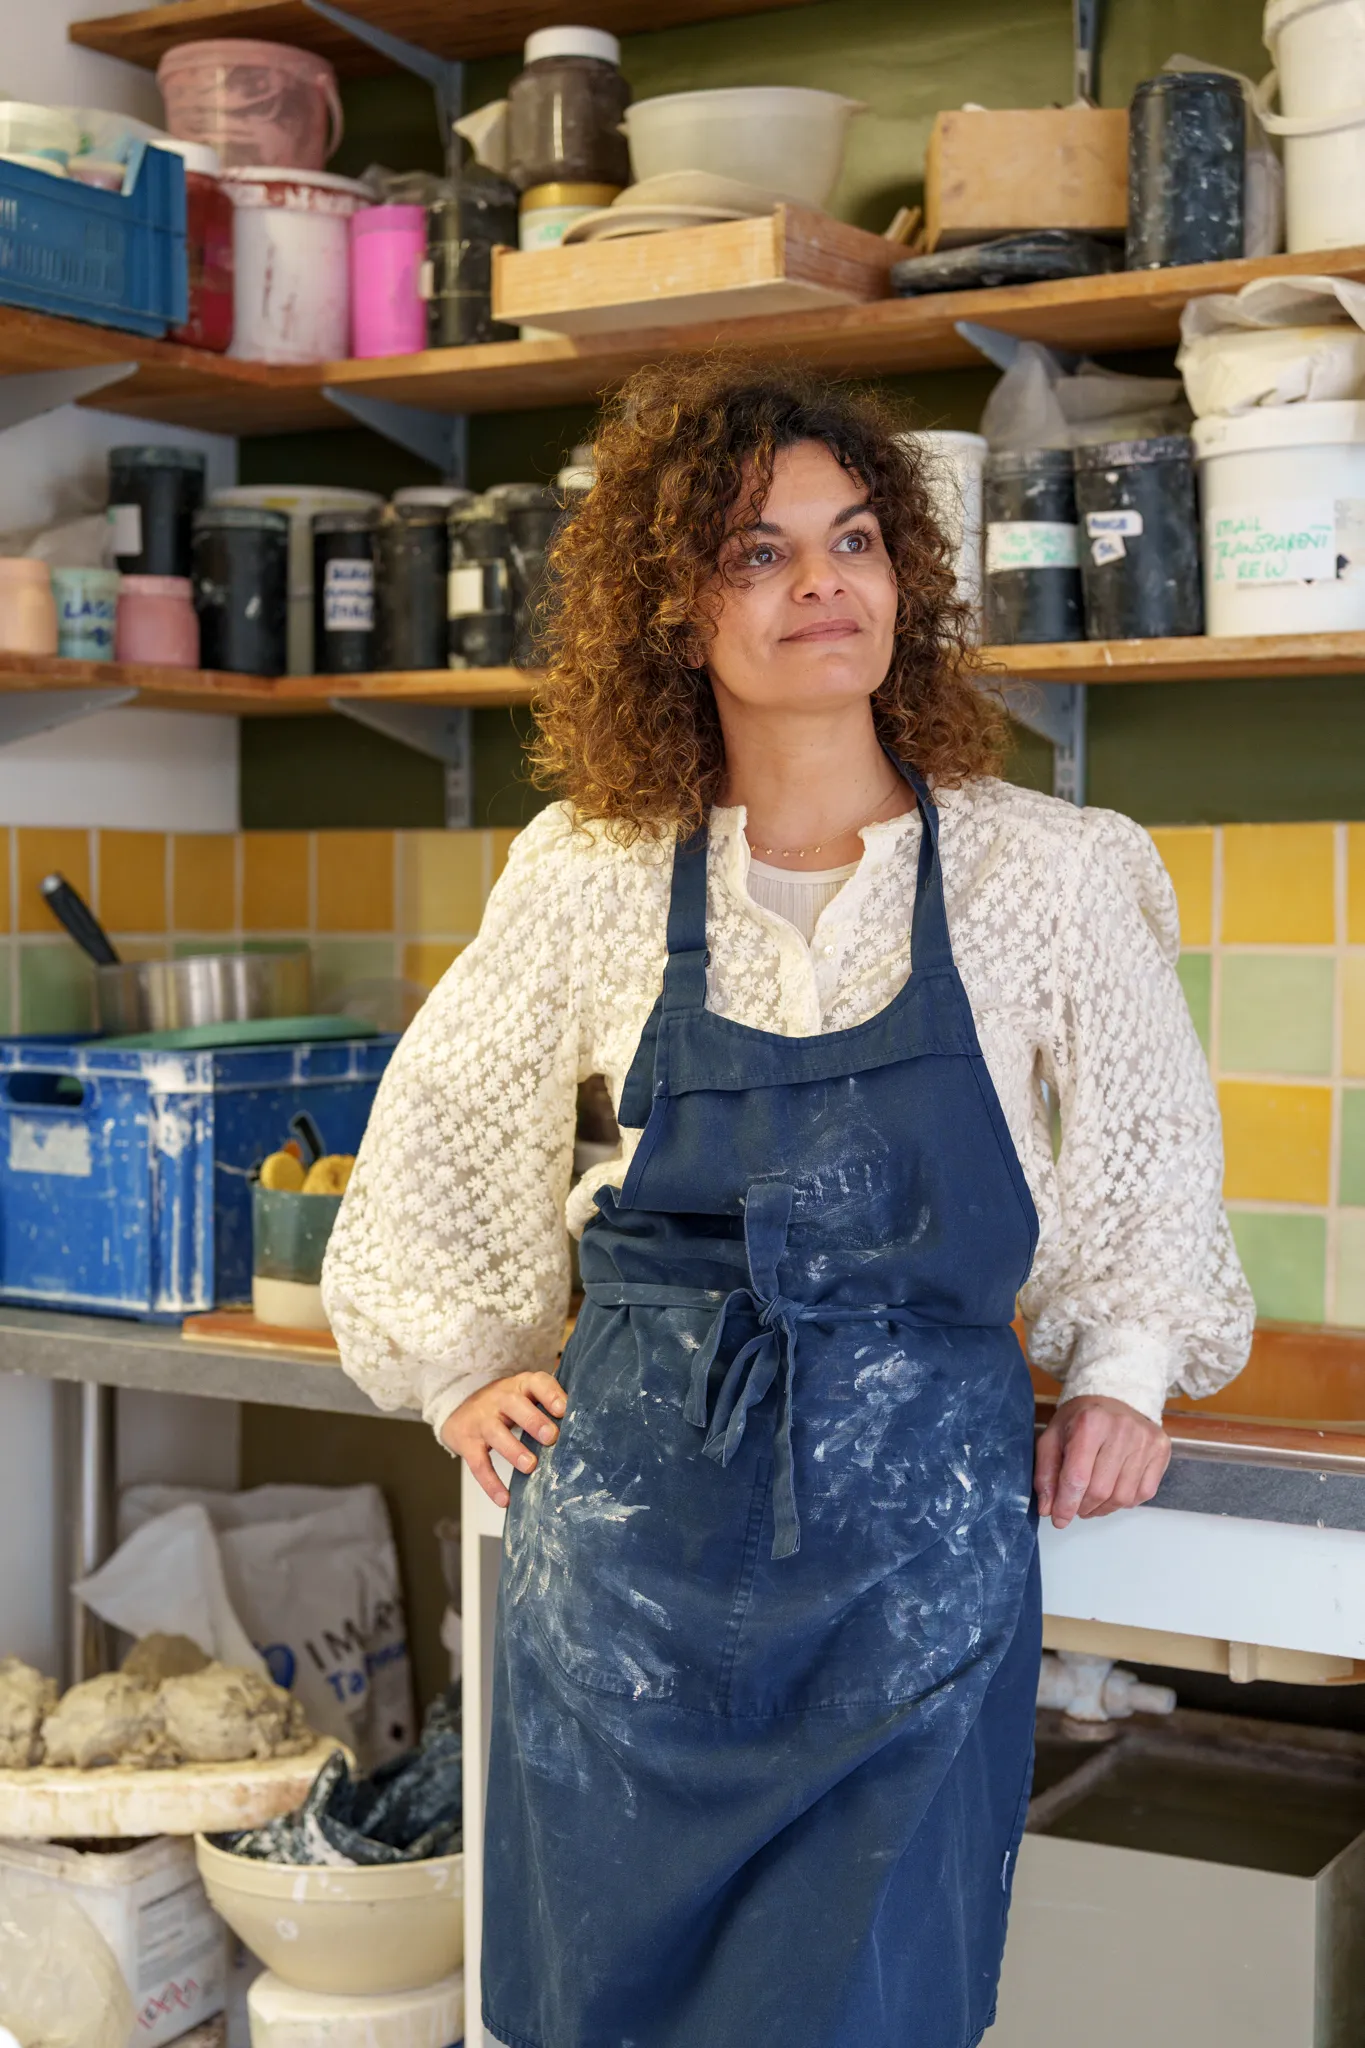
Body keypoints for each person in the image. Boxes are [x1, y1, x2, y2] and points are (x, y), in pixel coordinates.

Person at [323, 359, 1254, 2048]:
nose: (823, 585)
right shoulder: (594, 870)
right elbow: (438, 1135)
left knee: (877, 2009)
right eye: (758, 554)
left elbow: (1152, 1146)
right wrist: (457, 1361)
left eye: (854, 541)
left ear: (908, 574)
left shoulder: (1041, 869)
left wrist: (1122, 1366)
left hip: (918, 1579)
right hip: (623, 1584)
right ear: (675, 613)